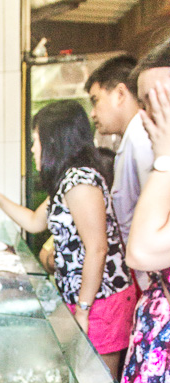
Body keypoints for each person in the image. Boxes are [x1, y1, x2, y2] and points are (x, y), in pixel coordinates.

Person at [0, 100, 137, 379]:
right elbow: (34, 222)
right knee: (73, 374)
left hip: (100, 300)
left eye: (36, 141)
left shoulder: (80, 182)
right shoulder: (66, 180)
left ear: (55, 141)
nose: (33, 149)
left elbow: (97, 249)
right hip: (82, 297)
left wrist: (83, 310)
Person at [120, 38, 170, 383]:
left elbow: (143, 250)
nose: (150, 117)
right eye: (146, 102)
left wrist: (165, 158)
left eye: (162, 100)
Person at [86, 55, 154, 249]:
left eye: (95, 100)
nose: (93, 113)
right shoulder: (132, 138)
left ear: (120, 94)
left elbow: (154, 213)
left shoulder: (141, 136)